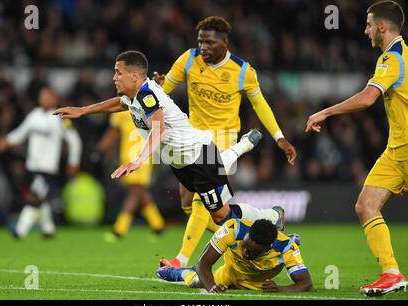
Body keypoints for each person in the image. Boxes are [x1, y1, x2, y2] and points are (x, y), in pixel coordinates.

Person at [54, 50, 285, 239]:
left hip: (198, 157)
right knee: (196, 207)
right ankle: (240, 151)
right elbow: (119, 103)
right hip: (181, 163)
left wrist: (138, 161)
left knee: (221, 217)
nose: (114, 77)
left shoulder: (146, 95)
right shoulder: (135, 96)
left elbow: (158, 129)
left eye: (118, 72)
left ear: (135, 75)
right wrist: (82, 110)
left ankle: (272, 220)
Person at [153, 16, 297, 268]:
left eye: (209, 42)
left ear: (224, 42)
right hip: (190, 137)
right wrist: (156, 87)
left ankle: (181, 259)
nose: (203, 47)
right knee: (199, 208)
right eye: (200, 41)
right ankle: (268, 217)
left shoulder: (242, 71)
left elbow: (259, 104)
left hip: (222, 140)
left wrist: (280, 137)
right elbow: (164, 91)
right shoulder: (188, 59)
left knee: (200, 199)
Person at [306, 0, 408, 296]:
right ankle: (391, 273)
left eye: (368, 25)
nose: (365, 31)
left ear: (382, 27)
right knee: (365, 206)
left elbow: (367, 99)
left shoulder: (393, 59)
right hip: (395, 151)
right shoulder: (397, 56)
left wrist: (324, 112)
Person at [0, 87, 82, 239]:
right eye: (42, 96)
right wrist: (7, 141)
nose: (45, 99)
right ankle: (48, 229)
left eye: (48, 96)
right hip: (32, 165)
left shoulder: (61, 117)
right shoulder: (34, 115)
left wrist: (73, 162)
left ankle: (20, 231)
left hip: (48, 167)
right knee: (41, 196)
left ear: (54, 99)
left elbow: (74, 141)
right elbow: (21, 132)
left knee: (35, 196)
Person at [156, 219, 313, 293]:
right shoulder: (233, 229)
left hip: (255, 284)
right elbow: (203, 264)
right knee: (197, 281)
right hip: (231, 272)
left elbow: (306, 283)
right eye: (244, 247)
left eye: (252, 252)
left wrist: (280, 289)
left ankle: (278, 222)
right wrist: (212, 288)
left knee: (204, 278)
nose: (245, 253)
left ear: (267, 249)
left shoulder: (286, 248)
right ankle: (176, 272)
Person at [97, 111, 165, 241]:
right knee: (140, 192)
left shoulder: (126, 107)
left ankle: (119, 230)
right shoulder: (133, 105)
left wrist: (100, 149)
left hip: (139, 156)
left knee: (134, 192)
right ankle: (158, 225)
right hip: (132, 155)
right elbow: (114, 132)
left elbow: (113, 133)